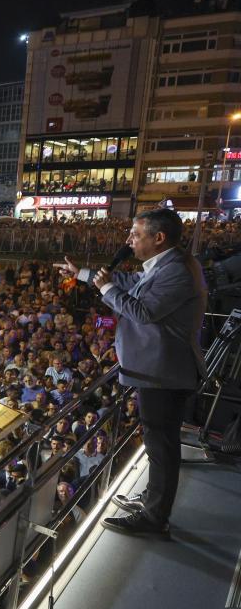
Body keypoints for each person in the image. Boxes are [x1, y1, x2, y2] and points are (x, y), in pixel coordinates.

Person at [58, 208, 207, 537]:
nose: (129, 240)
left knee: (161, 444)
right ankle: (154, 499)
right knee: (157, 442)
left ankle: (155, 519)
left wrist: (107, 291)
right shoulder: (167, 264)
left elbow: (143, 311)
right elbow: (133, 283)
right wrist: (82, 273)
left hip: (164, 372)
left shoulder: (178, 270)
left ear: (158, 238)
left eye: (135, 235)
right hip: (155, 370)